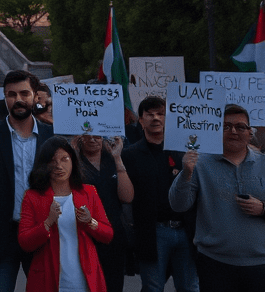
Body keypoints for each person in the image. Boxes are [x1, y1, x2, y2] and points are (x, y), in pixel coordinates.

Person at [0, 70, 53, 292]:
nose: (18, 99)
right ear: (5, 97)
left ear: (36, 97)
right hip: (1, 238)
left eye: (24, 93)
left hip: (41, 234)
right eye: (11, 94)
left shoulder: (52, 137)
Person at [168, 103, 265, 290]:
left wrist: (262, 208)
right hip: (214, 263)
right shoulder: (200, 163)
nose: (233, 131)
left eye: (240, 127)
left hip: (260, 263)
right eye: (226, 126)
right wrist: (186, 173)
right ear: (215, 131)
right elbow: (178, 205)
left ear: (250, 133)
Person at [120, 95, 198, 292]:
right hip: (153, 232)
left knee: (190, 287)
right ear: (140, 120)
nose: (155, 118)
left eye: (160, 114)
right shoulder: (129, 155)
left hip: (186, 231)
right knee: (153, 287)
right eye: (150, 114)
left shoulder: (185, 152)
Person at [18, 137, 113, 292]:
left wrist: (90, 221)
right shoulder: (32, 196)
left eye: (64, 159)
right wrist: (48, 223)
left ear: (73, 162)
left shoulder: (88, 192)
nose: (59, 166)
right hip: (48, 278)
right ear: (44, 164)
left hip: (84, 278)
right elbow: (25, 242)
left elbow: (108, 234)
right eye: (52, 161)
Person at [74, 134, 133, 292]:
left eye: (97, 136)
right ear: (80, 138)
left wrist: (118, 158)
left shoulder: (112, 160)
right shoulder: (74, 163)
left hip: (113, 237)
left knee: (113, 285)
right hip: (85, 237)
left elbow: (127, 197)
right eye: (88, 136)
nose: (93, 140)